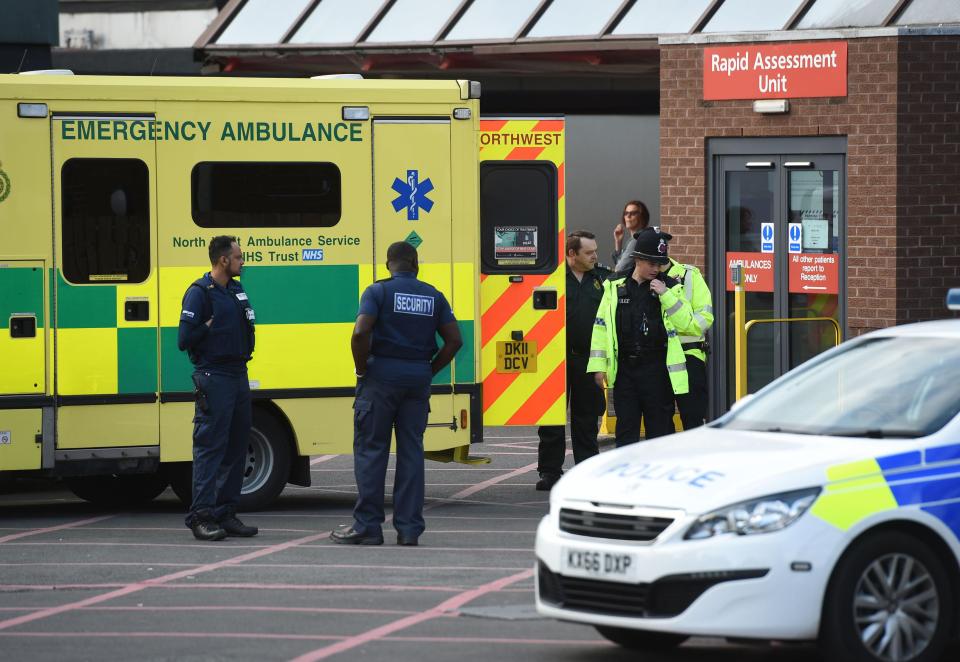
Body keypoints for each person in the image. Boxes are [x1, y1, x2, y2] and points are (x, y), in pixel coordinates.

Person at [332, 241, 462, 546]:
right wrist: (428, 371)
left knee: (371, 450)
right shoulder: (434, 295)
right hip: (417, 380)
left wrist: (362, 368)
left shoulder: (378, 292)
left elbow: (361, 332)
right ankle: (409, 529)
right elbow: (454, 341)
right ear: (415, 263)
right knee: (411, 453)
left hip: (380, 379)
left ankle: (368, 526)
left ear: (389, 264)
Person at [177, 236, 258, 541]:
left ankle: (226, 513)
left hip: (238, 374)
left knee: (236, 447)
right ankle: (201, 516)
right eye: (239, 257)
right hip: (214, 377)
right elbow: (183, 339)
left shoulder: (235, 289)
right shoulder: (200, 293)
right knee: (210, 449)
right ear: (224, 260)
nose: (242, 262)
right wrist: (205, 328)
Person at [588, 227, 692, 446]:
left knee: (660, 433)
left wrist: (666, 296)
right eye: (651, 263)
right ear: (637, 259)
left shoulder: (671, 287)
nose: (656, 268)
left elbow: (687, 324)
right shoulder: (614, 285)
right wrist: (598, 366)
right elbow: (601, 327)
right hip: (626, 370)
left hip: (658, 370)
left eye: (660, 264)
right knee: (626, 432)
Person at [535, 231, 610, 491]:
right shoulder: (553, 278)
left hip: (589, 359)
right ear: (571, 254)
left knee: (587, 419)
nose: (594, 256)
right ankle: (549, 472)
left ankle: (586, 469)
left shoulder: (603, 278)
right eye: (588, 252)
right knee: (552, 419)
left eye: (595, 251)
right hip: (556, 359)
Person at [665, 255, 714, 430]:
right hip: (657, 359)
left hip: (689, 356)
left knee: (693, 418)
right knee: (660, 422)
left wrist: (686, 324)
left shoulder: (689, 275)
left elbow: (705, 318)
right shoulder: (642, 277)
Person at [611, 200, 650, 272]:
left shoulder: (637, 239)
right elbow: (620, 264)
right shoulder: (636, 238)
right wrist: (618, 242)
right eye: (626, 213)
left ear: (642, 216)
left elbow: (619, 269)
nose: (628, 216)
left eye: (633, 213)